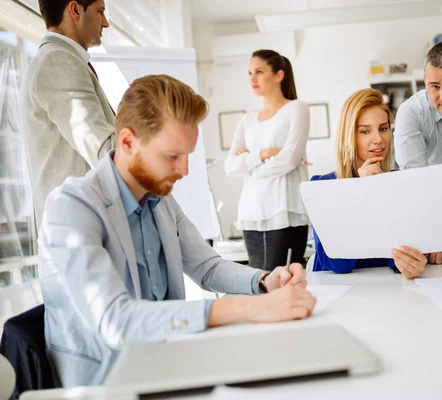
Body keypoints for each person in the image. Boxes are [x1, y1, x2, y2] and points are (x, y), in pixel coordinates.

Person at [38, 75, 316, 387]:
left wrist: (263, 281)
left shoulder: (160, 198)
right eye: (172, 156)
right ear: (128, 142)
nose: (184, 170)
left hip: (170, 366)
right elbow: (115, 321)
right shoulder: (72, 207)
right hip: (108, 383)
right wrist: (248, 307)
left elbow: (207, 267)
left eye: (187, 156)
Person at [311, 88, 442, 275]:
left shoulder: (401, 183)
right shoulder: (322, 187)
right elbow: (337, 263)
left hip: (391, 293)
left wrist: (413, 262)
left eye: (383, 129)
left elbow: (401, 256)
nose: (378, 139)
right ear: (349, 135)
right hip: (344, 295)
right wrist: (362, 192)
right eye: (365, 131)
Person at [20, 0, 116, 223]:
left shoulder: (60, 59)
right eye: (100, 11)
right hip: (79, 234)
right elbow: (104, 150)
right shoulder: (57, 60)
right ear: (75, 10)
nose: (106, 23)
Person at [225, 49, 310, 271]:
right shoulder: (247, 120)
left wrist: (250, 168)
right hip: (251, 212)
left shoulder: (296, 109)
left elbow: (289, 160)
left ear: (278, 75)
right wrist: (261, 155)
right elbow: (230, 166)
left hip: (285, 210)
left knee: (285, 282)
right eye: (250, 73)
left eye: (259, 72)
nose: (252, 78)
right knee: (257, 284)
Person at [394, 41, 442, 174]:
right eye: (435, 86)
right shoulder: (412, 111)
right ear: (425, 82)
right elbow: (415, 176)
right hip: (434, 190)